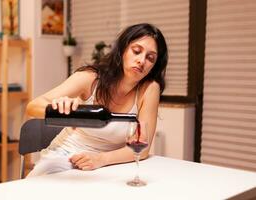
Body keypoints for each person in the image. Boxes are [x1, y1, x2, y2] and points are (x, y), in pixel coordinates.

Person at [26, 23, 168, 177]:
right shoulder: (90, 78)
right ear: (123, 50)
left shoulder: (149, 89)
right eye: (136, 51)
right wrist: (60, 109)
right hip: (64, 156)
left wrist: (101, 159)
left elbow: (143, 149)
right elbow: (32, 107)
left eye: (150, 58)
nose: (141, 60)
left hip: (109, 165)